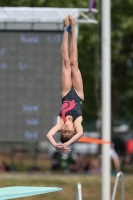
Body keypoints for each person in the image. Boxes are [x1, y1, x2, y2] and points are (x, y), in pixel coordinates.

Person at [46, 15, 84, 154]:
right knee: (74, 62)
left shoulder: (60, 123)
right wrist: (67, 143)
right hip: (78, 94)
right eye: (69, 131)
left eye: (64, 131)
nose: (66, 129)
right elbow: (80, 134)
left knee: (66, 63)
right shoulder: (77, 123)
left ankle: (65, 30)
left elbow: (49, 135)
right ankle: (73, 30)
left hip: (66, 92)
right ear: (73, 130)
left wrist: (56, 145)